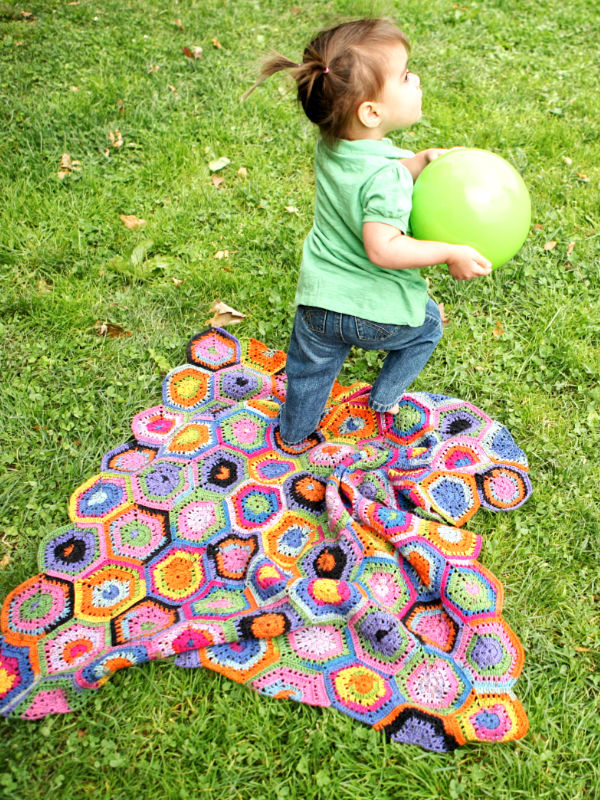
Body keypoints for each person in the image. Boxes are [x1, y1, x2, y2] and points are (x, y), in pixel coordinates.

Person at [244, 18, 492, 446]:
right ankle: (384, 400)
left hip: (318, 300)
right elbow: (383, 248)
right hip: (367, 312)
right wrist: (450, 251)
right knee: (429, 326)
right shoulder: (388, 181)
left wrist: (419, 161)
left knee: (310, 371)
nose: (415, 79)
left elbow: (370, 179)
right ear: (371, 111)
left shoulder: (334, 145)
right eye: (404, 75)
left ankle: (292, 435)